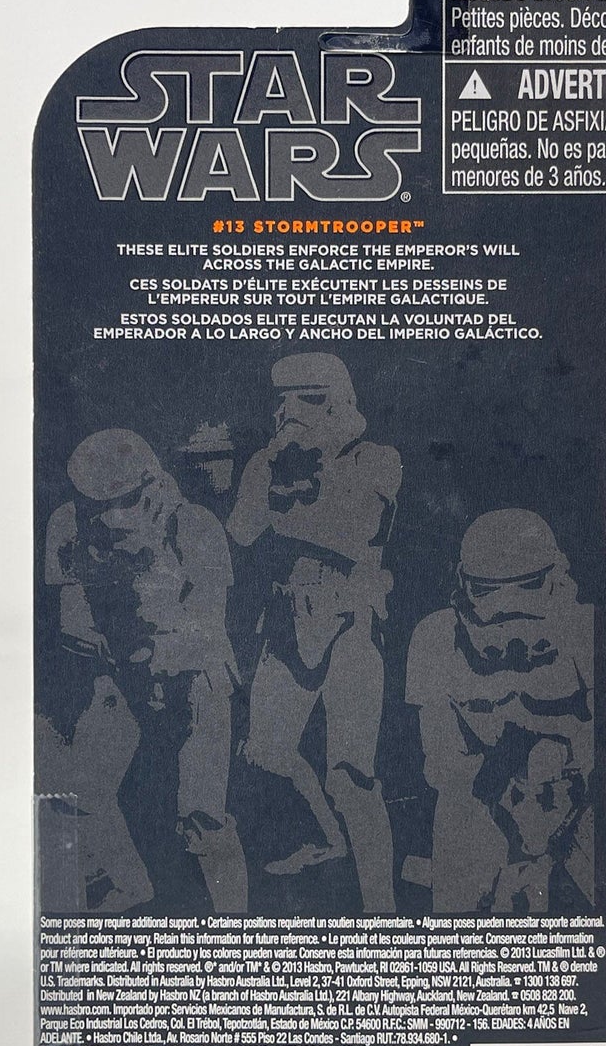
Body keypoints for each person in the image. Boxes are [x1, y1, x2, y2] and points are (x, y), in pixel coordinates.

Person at [37, 428, 248, 913]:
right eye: (98, 506)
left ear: (155, 484)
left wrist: (150, 563)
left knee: (201, 822)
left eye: (127, 501)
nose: (112, 517)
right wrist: (119, 665)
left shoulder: (196, 527)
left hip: (195, 676)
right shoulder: (68, 523)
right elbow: (74, 625)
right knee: (79, 787)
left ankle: (234, 924)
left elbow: (207, 630)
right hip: (119, 670)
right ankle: (133, 884)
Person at [228, 353, 401, 910]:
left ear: (339, 401)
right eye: (284, 400)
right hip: (288, 618)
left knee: (351, 776)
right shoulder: (270, 461)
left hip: (352, 622)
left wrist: (301, 476)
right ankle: (328, 836)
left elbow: (356, 531)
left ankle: (381, 909)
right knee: (265, 752)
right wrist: (271, 470)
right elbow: (243, 531)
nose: (292, 411)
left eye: (310, 399)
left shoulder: (377, 459)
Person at [406, 509, 596, 914]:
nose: (508, 609)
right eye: (488, 591)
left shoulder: (587, 633)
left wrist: (553, 778)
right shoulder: (437, 639)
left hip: (576, 799)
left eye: (529, 586)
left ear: (558, 578)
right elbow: (441, 765)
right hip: (483, 794)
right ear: (464, 585)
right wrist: (511, 782)